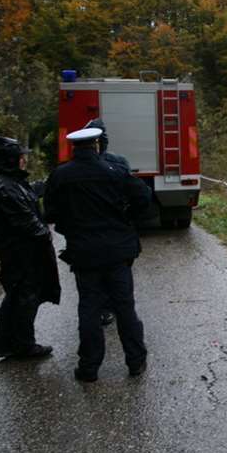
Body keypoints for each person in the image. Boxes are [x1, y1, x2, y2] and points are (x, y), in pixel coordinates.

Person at [43, 127, 152, 382]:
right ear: (96, 146)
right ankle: (135, 361)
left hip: (84, 253)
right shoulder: (115, 172)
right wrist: (126, 219)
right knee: (125, 306)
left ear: (73, 148)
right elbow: (143, 198)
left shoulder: (60, 176)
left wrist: (70, 223)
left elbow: (49, 214)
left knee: (89, 308)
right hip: (117, 251)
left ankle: (89, 367)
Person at [0, 137, 60, 359]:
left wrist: (53, 180)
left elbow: (32, 191)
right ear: (9, 160)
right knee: (23, 298)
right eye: (20, 157)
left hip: (22, 253)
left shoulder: (12, 183)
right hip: (20, 255)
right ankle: (23, 345)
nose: (24, 160)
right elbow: (29, 225)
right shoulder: (5, 188)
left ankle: (12, 344)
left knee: (21, 297)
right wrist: (47, 232)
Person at [84, 118, 130, 327]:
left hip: (84, 241)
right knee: (121, 287)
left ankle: (100, 313)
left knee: (90, 289)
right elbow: (139, 197)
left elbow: (54, 210)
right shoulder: (118, 164)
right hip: (117, 238)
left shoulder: (66, 172)